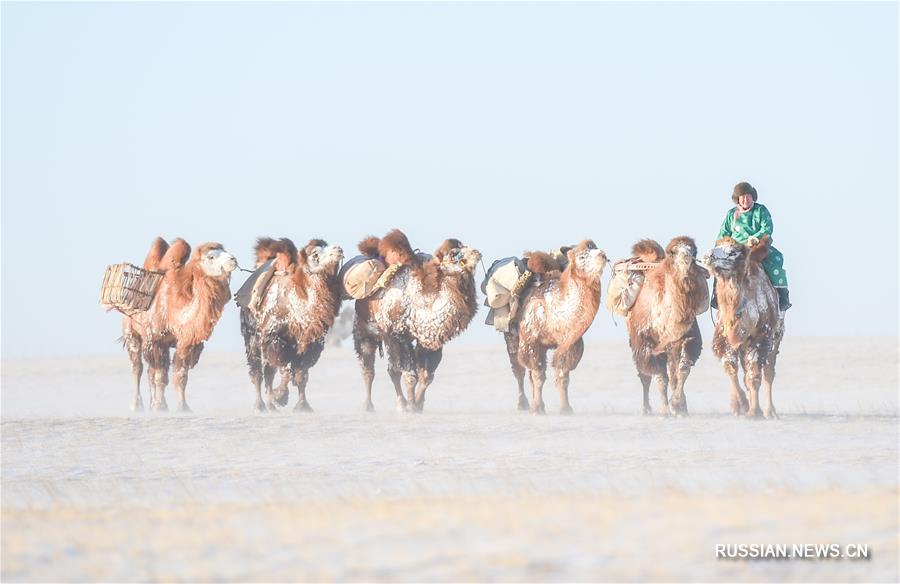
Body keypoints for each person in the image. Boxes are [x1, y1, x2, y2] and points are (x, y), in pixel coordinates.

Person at [713, 181, 791, 311]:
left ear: (752, 196)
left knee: (774, 262)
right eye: (742, 197)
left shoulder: (761, 210)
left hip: (756, 246)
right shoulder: (731, 214)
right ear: (737, 199)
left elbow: (767, 228)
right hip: (734, 248)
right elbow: (724, 232)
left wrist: (756, 237)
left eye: (747, 196)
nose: (745, 199)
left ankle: (782, 297)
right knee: (717, 264)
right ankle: (717, 296)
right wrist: (721, 245)